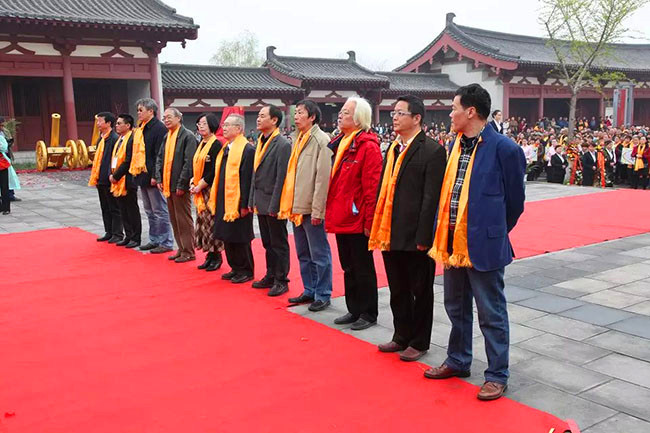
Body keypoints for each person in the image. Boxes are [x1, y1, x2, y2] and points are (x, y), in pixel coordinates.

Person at [425, 83, 526, 402]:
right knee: (455, 306)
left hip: (484, 243)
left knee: (490, 312)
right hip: (451, 241)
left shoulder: (505, 149)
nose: (450, 114)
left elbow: (515, 202)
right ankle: (458, 359)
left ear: (471, 112)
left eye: (454, 108)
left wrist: (493, 231)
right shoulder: (454, 145)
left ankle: (497, 374)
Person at [370, 94, 446, 362]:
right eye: (393, 113)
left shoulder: (432, 151)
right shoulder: (393, 148)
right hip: (390, 230)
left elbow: (431, 198)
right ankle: (401, 334)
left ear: (417, 118)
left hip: (415, 233)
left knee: (420, 290)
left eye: (400, 113)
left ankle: (419, 341)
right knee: (397, 287)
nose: (394, 117)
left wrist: (424, 236)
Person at [326, 97, 382, 330]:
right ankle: (354, 309)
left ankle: (368, 312)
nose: (340, 115)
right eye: (341, 111)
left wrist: (369, 221)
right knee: (348, 266)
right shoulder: (341, 143)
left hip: (357, 218)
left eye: (346, 113)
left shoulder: (368, 146)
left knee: (362, 267)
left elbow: (371, 188)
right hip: (342, 215)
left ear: (359, 119)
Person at [283, 100, 334, 312]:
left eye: (300, 113)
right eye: (295, 113)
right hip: (296, 205)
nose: (296, 116)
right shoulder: (297, 138)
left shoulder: (321, 140)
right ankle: (309, 289)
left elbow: (322, 179)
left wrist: (318, 210)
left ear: (312, 117)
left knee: (319, 253)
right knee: (303, 253)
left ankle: (323, 293)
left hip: (311, 206)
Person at [249, 105, 292, 296]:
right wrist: (252, 199)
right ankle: (271, 274)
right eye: (258, 116)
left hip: (274, 202)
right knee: (267, 242)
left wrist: (276, 205)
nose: (258, 119)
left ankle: (281, 279)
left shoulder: (282, 144)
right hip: (261, 200)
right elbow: (255, 174)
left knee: (278, 243)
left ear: (274, 120)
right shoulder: (260, 141)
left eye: (262, 116)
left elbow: (281, 178)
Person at [208, 114, 256, 284]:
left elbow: (247, 180)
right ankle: (235, 267)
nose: (224, 128)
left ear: (239, 129)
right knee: (227, 235)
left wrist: (244, 204)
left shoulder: (247, 150)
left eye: (228, 125)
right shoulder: (226, 148)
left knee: (240, 236)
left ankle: (246, 270)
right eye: (224, 125)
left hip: (238, 201)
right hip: (224, 199)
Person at [132, 98, 174, 253]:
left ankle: (166, 242)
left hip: (153, 176)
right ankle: (154, 239)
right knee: (149, 211)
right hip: (142, 174)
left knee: (159, 210)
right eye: (138, 110)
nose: (138, 113)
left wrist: (156, 176)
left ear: (151, 111)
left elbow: (159, 155)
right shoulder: (141, 128)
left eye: (141, 110)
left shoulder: (159, 128)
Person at [154, 108, 197, 262]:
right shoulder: (168, 136)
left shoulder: (187, 136)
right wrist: (159, 178)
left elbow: (188, 163)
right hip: (168, 184)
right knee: (174, 218)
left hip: (179, 185)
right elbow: (160, 158)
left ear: (179, 118)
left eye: (169, 117)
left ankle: (189, 251)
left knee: (183, 219)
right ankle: (181, 248)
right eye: (164, 118)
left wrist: (181, 184)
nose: (166, 120)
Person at [190, 113, 224, 271]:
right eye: (199, 123)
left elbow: (214, 170)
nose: (201, 126)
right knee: (202, 223)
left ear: (212, 125)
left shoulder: (216, 144)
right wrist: (193, 181)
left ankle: (216, 255)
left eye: (204, 123)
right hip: (199, 188)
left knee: (211, 223)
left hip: (210, 189)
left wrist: (200, 185)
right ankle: (209, 255)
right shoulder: (201, 143)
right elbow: (197, 166)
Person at [88, 112, 123, 243]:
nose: (98, 124)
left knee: (114, 207)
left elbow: (115, 159)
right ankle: (109, 231)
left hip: (109, 177)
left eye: (100, 121)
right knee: (105, 207)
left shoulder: (114, 138)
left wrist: (112, 175)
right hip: (100, 177)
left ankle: (117, 233)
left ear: (108, 123)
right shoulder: (101, 139)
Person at [109, 114, 141, 248]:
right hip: (118, 179)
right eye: (116, 123)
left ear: (128, 125)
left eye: (119, 123)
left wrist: (115, 176)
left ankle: (135, 237)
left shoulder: (131, 139)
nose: (116, 126)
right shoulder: (120, 139)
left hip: (127, 179)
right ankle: (128, 235)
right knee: (123, 209)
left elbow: (128, 161)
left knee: (131, 209)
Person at [0, 129, 20, 215]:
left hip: (2, 165)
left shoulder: (1, 137)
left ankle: (6, 208)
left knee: (4, 187)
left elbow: (4, 147)